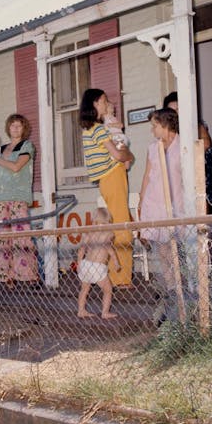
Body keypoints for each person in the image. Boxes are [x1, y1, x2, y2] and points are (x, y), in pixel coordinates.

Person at [79, 89, 135, 288]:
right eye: (104, 100)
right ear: (95, 103)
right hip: (113, 175)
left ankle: (114, 273)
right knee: (122, 225)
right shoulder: (99, 129)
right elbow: (119, 155)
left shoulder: (89, 129)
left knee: (117, 221)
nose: (107, 103)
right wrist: (129, 155)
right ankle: (121, 277)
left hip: (105, 179)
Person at [138, 108, 188, 323]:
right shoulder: (152, 148)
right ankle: (172, 296)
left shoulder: (182, 145)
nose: (152, 130)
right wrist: (141, 206)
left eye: (155, 125)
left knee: (178, 252)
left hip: (176, 206)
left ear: (166, 125)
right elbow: (147, 176)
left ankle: (184, 294)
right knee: (164, 254)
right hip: (155, 205)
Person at [0, 113, 39, 285]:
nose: (15, 128)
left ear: (24, 128)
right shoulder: (0, 147)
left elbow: (16, 167)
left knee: (21, 234)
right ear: (8, 127)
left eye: (19, 125)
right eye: (12, 125)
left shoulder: (26, 145)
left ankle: (27, 275)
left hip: (17, 196)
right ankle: (5, 276)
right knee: (1, 236)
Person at [163, 91, 212, 213]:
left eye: (178, 109)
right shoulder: (166, 132)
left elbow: (206, 144)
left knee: (201, 213)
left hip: (198, 174)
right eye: (171, 110)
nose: (175, 113)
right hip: (178, 176)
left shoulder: (195, 124)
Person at [77, 207, 120, 319]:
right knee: (107, 290)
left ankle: (81, 310)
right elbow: (109, 248)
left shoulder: (89, 232)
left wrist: (79, 264)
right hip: (98, 267)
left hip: (86, 264)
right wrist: (116, 262)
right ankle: (105, 312)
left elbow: (81, 249)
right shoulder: (109, 233)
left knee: (84, 289)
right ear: (108, 220)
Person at [102, 103, 130, 167]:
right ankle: (124, 161)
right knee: (118, 150)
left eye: (112, 108)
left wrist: (112, 125)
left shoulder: (111, 118)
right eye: (110, 107)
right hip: (114, 137)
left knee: (120, 150)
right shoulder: (104, 118)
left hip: (118, 136)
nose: (112, 109)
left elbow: (121, 125)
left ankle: (126, 161)